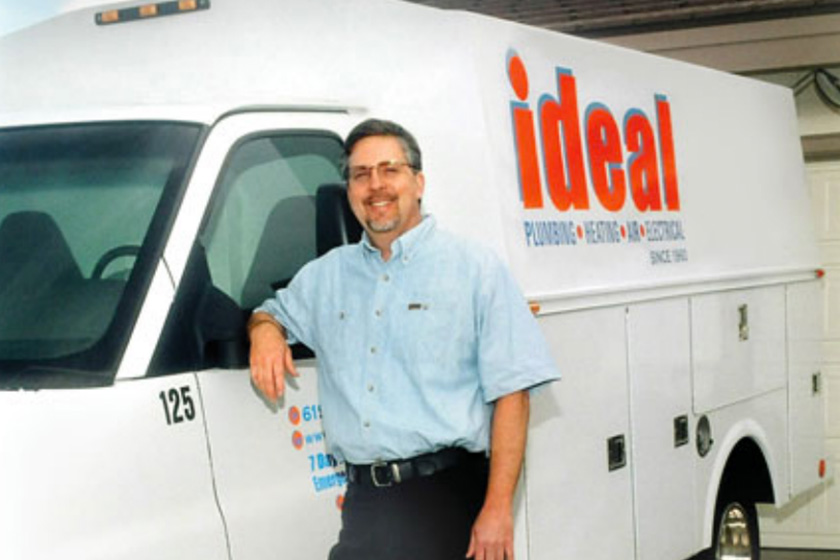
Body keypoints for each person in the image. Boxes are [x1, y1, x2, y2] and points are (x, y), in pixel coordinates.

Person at [248, 118, 560, 560]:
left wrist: (497, 508)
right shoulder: (325, 277)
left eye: (389, 170)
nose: (375, 185)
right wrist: (264, 331)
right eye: (361, 174)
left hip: (446, 498)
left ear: (418, 181)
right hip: (364, 505)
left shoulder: (474, 269)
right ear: (349, 190)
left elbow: (513, 394)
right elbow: (270, 311)